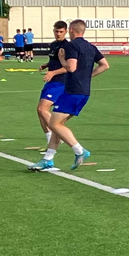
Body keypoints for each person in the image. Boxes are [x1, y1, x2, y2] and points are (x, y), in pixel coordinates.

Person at [32, 19, 109, 171]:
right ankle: (48, 159)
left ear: (72, 30)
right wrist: (88, 76)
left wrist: (62, 59)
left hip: (72, 91)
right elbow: (105, 65)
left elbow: (71, 67)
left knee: (54, 124)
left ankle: (80, 151)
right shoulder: (91, 47)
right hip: (84, 92)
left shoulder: (72, 45)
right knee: (57, 124)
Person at [31, 20, 72, 162]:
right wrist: (46, 65)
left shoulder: (67, 46)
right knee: (40, 111)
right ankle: (51, 140)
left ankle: (57, 134)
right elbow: (55, 60)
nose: (58, 33)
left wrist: (52, 72)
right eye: (56, 31)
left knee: (42, 109)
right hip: (52, 82)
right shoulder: (54, 45)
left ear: (66, 31)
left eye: (61, 31)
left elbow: (68, 67)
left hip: (60, 82)